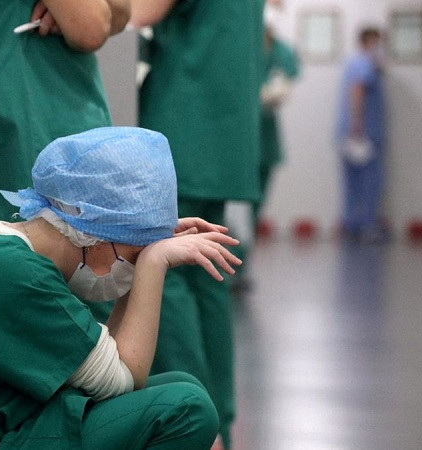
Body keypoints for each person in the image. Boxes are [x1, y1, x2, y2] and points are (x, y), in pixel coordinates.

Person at [0, 127, 243, 449]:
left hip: (5, 424)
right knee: (188, 407)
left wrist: (145, 251)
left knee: (184, 385)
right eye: (134, 254)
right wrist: (154, 265)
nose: (136, 264)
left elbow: (112, 369)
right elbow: (126, 378)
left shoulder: (7, 253)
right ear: (95, 238)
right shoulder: (18, 275)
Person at [117, 2, 265, 448]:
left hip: (185, 117)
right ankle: (220, 417)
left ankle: (200, 423)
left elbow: (136, 12)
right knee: (210, 270)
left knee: (169, 267)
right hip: (222, 127)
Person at [0, 0, 130, 224]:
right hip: (32, 120)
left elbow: (122, 12)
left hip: (56, 115)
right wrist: (89, 12)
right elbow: (91, 26)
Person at [336, 27, 386, 242]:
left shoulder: (356, 63)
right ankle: (365, 226)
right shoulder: (364, 63)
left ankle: (352, 225)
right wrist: (357, 124)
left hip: (352, 132)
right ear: (370, 41)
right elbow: (357, 90)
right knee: (368, 181)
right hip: (363, 133)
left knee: (353, 182)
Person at [254, 16, 300, 224]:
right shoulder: (242, 49)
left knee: (258, 198)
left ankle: (245, 243)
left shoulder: (280, 50)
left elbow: (288, 74)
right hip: (239, 133)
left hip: (264, 132)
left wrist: (271, 93)